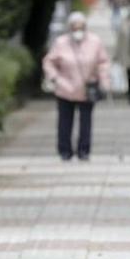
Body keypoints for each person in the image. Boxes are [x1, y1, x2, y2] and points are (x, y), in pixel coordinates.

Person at [43, 11, 110, 161]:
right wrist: (55, 78)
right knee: (64, 122)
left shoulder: (95, 41)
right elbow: (49, 62)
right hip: (65, 88)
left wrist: (104, 81)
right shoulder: (61, 42)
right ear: (70, 27)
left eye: (81, 27)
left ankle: (84, 150)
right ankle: (65, 150)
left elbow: (103, 62)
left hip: (87, 88)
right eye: (74, 27)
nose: (78, 30)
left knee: (86, 122)